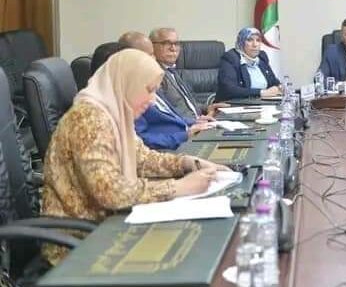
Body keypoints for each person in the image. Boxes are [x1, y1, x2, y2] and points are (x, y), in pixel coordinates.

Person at [41, 49, 225, 264]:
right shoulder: (88, 119)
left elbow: (142, 159)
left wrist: (186, 163)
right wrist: (178, 187)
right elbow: (110, 192)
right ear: (126, 83)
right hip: (80, 244)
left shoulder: (114, 113)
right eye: (148, 90)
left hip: (109, 227)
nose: (152, 100)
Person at [150, 27, 227, 120]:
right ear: (152, 46)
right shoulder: (155, 75)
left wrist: (208, 108)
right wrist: (194, 122)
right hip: (188, 126)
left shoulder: (173, 71)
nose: (173, 48)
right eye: (166, 43)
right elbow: (164, 113)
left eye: (176, 44)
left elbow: (188, 104)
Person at [216, 27, 282, 101]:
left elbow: (274, 82)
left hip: (262, 104)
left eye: (258, 40)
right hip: (235, 104)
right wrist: (261, 93)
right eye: (249, 40)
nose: (255, 44)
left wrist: (279, 87)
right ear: (241, 42)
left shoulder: (262, 57)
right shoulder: (231, 58)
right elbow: (229, 90)